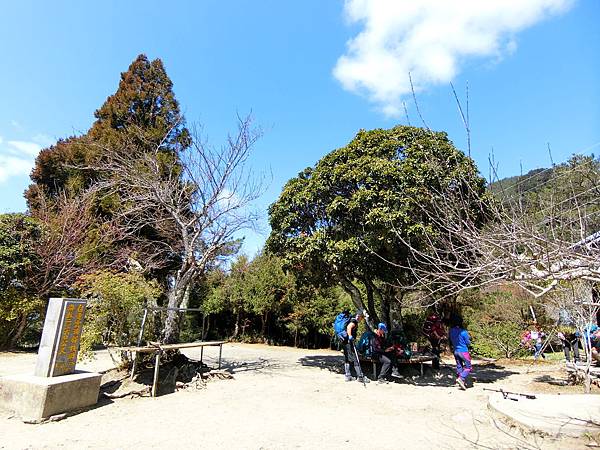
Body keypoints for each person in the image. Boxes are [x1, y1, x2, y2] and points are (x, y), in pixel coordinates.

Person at [342, 310, 369, 383]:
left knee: (347, 358)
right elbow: (349, 327)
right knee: (355, 358)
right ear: (359, 316)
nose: (362, 319)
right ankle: (360, 376)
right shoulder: (354, 321)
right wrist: (350, 336)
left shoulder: (351, 319)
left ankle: (348, 376)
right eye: (362, 317)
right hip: (349, 342)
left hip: (345, 342)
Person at [448, 314, 471, 390]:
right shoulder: (463, 332)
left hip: (456, 351)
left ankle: (461, 381)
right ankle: (461, 378)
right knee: (468, 367)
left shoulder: (451, 331)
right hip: (464, 351)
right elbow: (468, 342)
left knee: (459, 366)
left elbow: (450, 340)